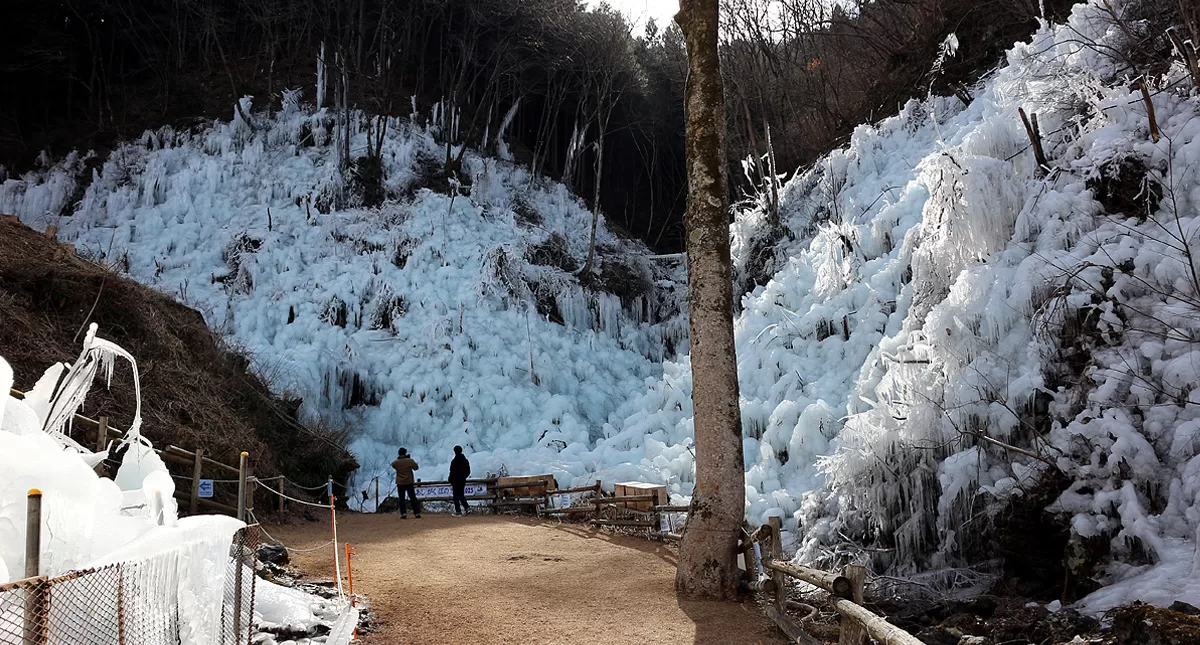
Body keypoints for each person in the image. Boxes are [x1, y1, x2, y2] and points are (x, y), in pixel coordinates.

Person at [391, 448, 421, 519]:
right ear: (405, 453)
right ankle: (416, 513)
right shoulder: (409, 461)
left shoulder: (396, 462)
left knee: (402, 499)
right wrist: (408, 459)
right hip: (409, 482)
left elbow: (393, 465)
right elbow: (416, 467)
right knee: (413, 498)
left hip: (400, 483)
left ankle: (403, 514)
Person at [448, 445, 472, 515]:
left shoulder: (454, 461)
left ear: (455, 451)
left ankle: (458, 511)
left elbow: (452, 472)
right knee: (461, 495)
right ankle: (467, 508)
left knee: (456, 497)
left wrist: (450, 480)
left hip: (455, 481)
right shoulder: (465, 460)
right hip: (462, 480)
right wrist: (464, 477)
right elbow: (468, 471)